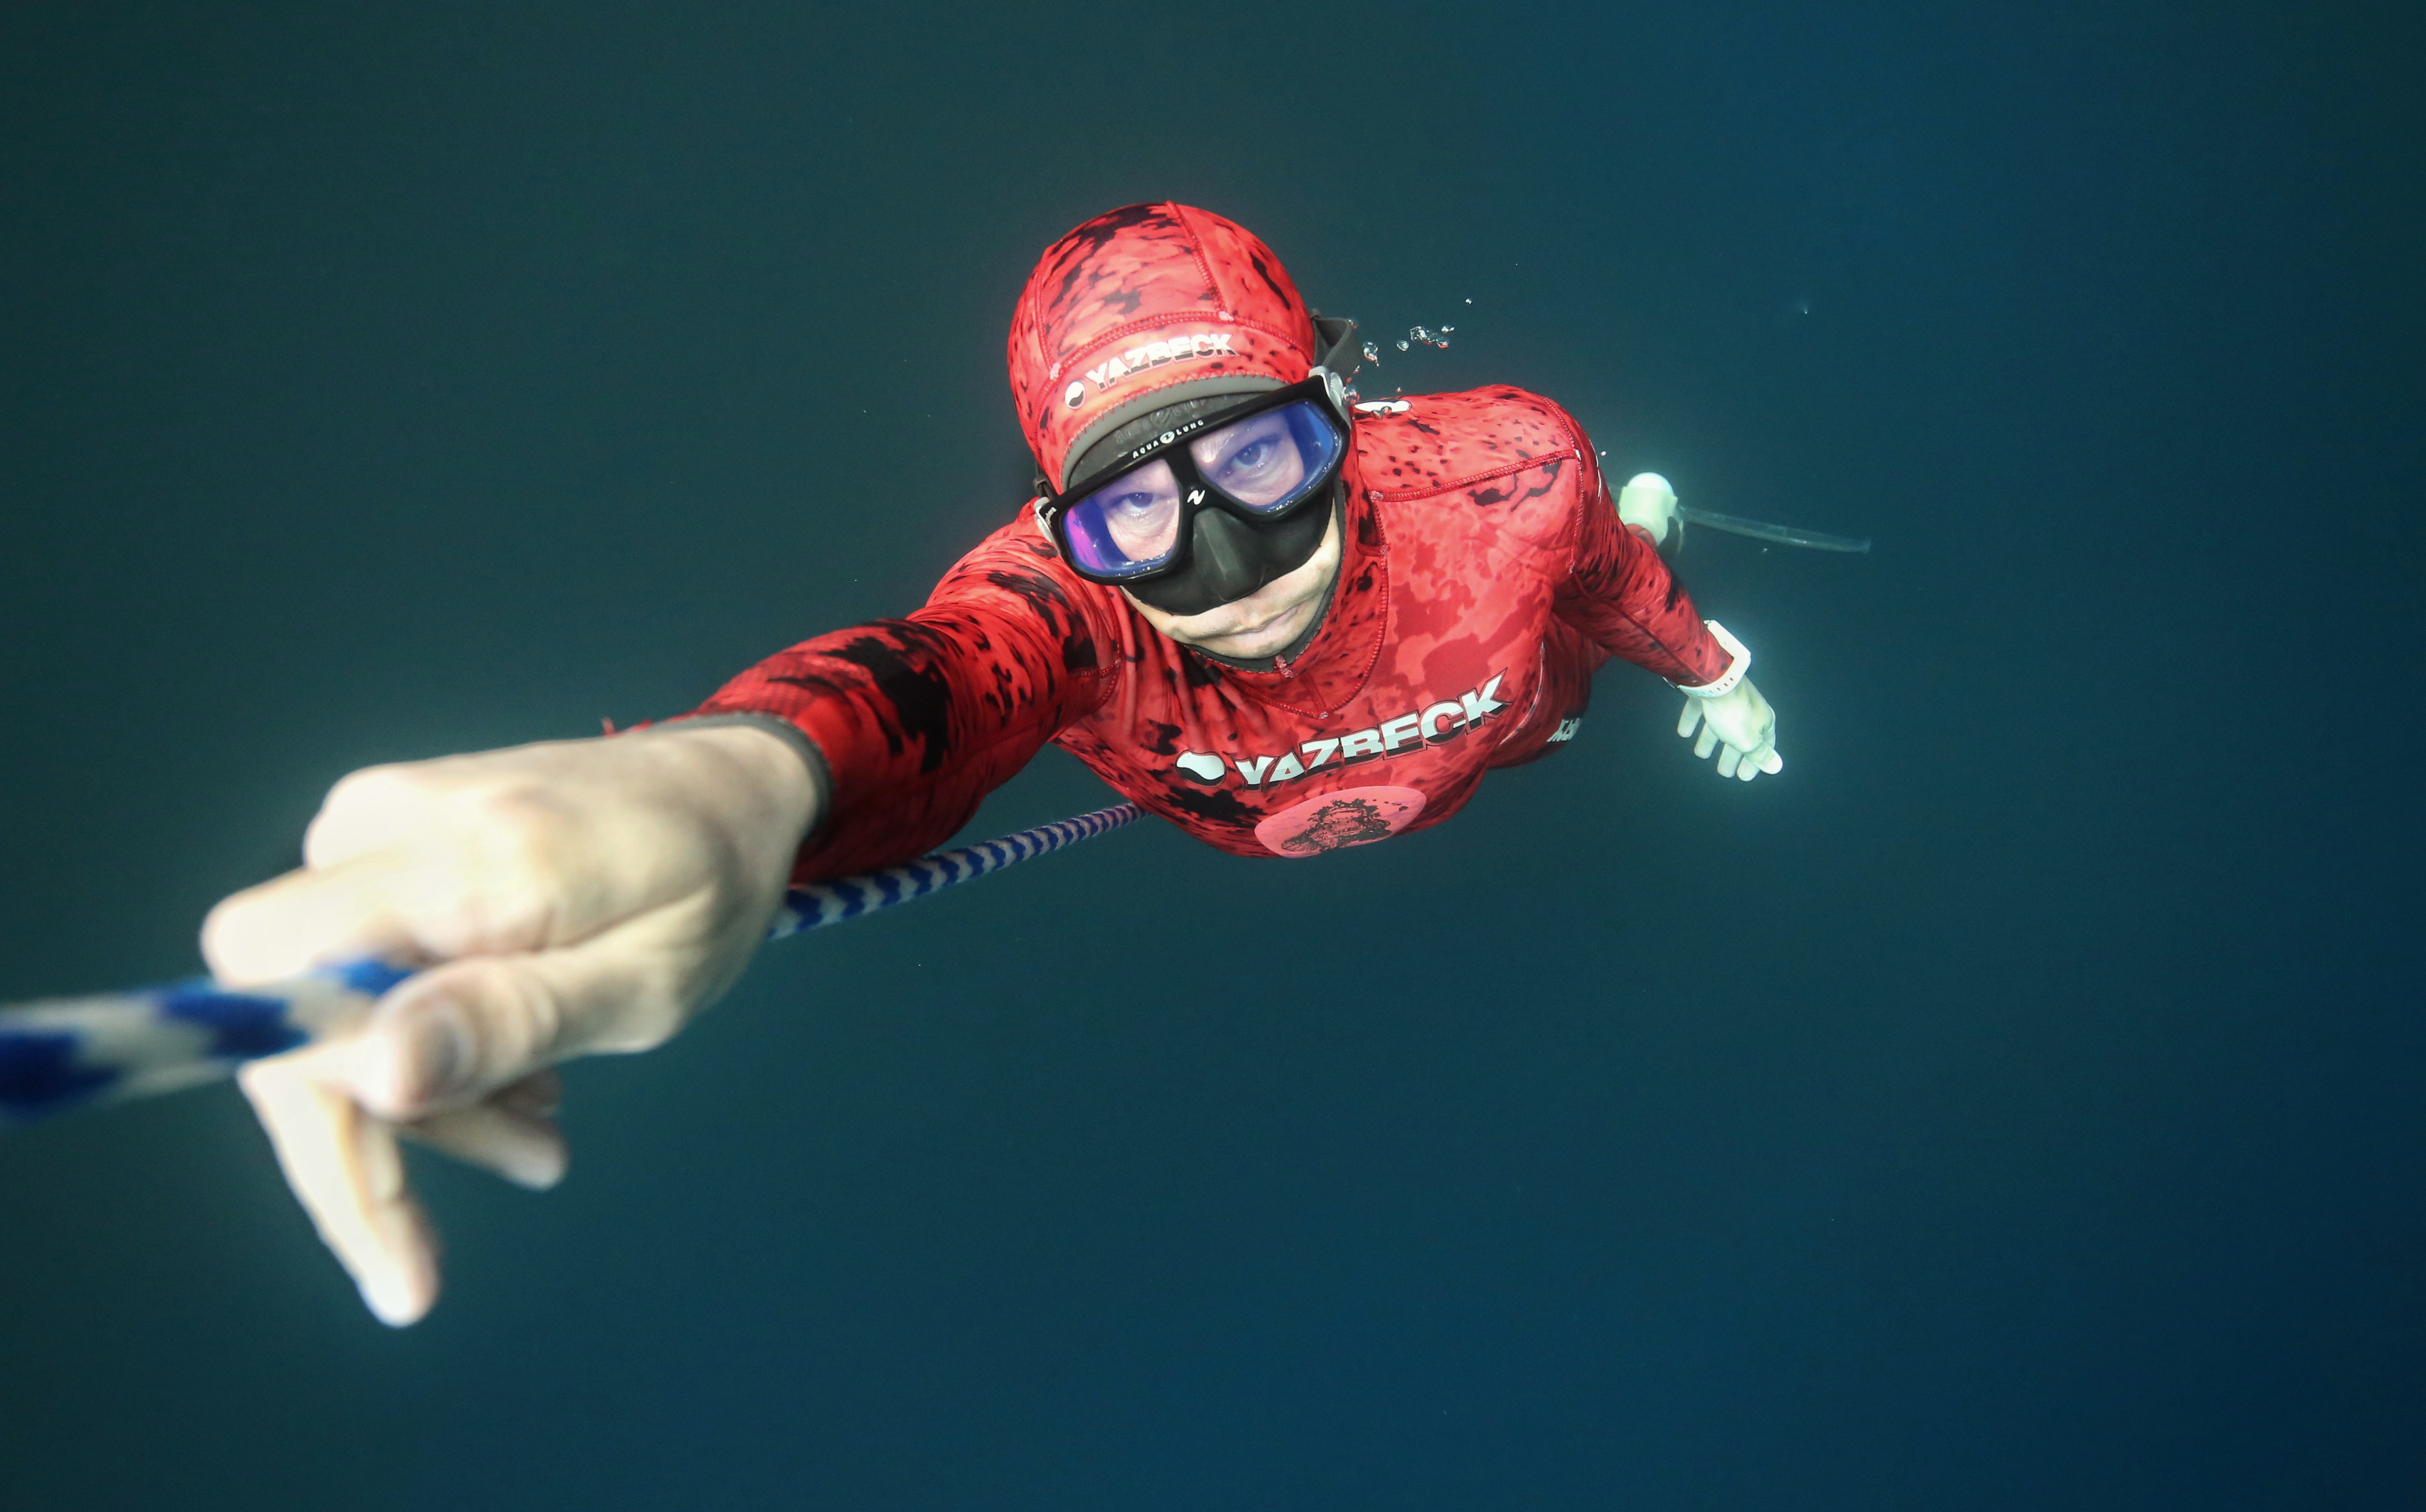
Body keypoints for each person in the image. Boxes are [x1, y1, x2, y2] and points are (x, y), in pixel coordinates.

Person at [203, 202, 1785, 1324]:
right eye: (1138, 514)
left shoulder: (1509, 471)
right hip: (1319, 803)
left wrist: (1719, 671)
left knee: (1572, 662)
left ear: (1335, 409)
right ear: (1061, 536)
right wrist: (737, 786)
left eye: (1258, 458)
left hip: (1510, 718)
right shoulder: (1070, 614)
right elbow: (946, 679)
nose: (1229, 560)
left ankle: (1651, 522)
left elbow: (1607, 596)